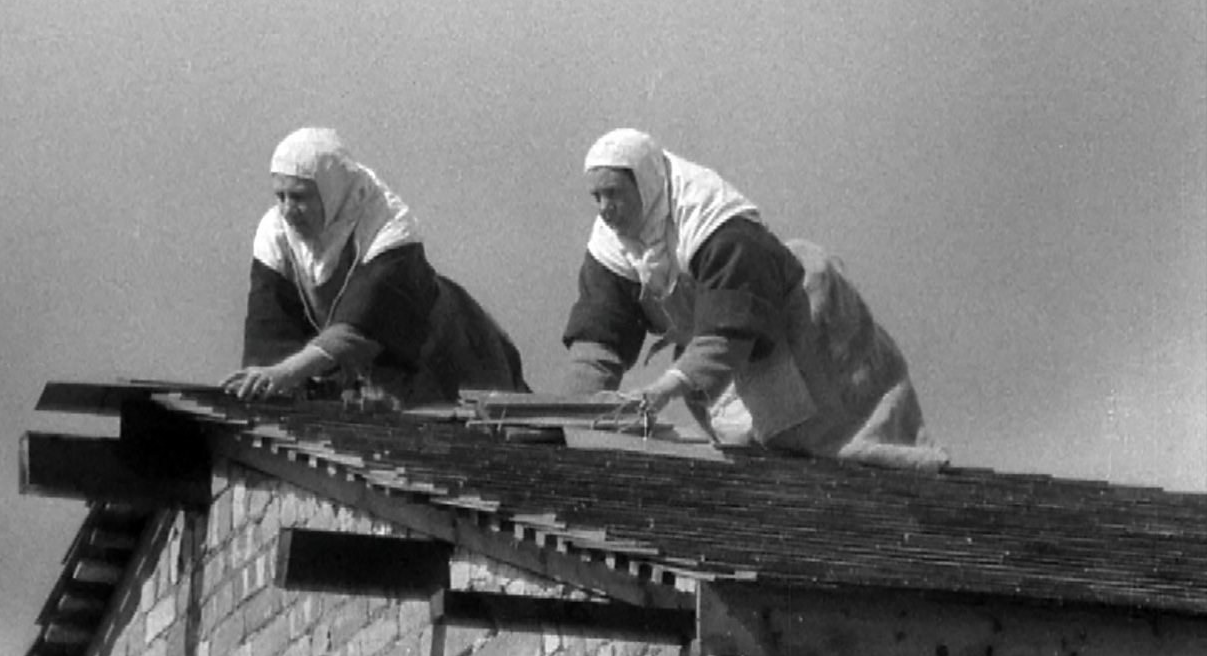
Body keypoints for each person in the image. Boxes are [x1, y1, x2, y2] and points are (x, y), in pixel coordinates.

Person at [562, 128, 945, 468]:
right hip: (719, 364)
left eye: (613, 194)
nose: (604, 209)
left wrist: (662, 389)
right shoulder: (611, 244)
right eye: (596, 196)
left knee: (847, 445)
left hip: (797, 330)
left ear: (644, 184)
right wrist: (565, 415)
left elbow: (731, 323)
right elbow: (599, 337)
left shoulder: (714, 219)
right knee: (766, 459)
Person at [222, 127, 529, 405]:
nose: (288, 210)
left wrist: (287, 372)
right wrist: (268, 379)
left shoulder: (390, 227)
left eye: (299, 197)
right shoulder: (275, 234)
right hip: (359, 369)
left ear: (331, 191)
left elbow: (363, 324)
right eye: (280, 196)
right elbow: (270, 334)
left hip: (438, 347)